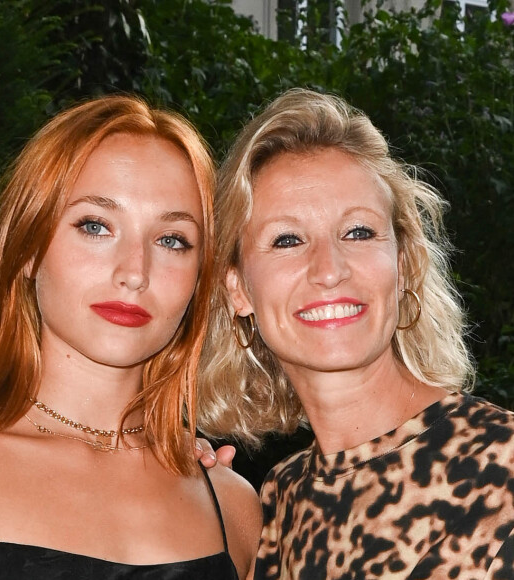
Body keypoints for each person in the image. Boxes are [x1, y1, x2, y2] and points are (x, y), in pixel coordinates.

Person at [0, 95, 261, 580]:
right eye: (95, 225)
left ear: (200, 276)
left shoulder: (234, 507)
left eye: (172, 240)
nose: (135, 272)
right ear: (27, 247)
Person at [198, 88, 514, 579]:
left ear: (404, 265)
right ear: (238, 290)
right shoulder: (281, 502)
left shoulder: (504, 464)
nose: (329, 269)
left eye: (359, 232)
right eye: (287, 239)